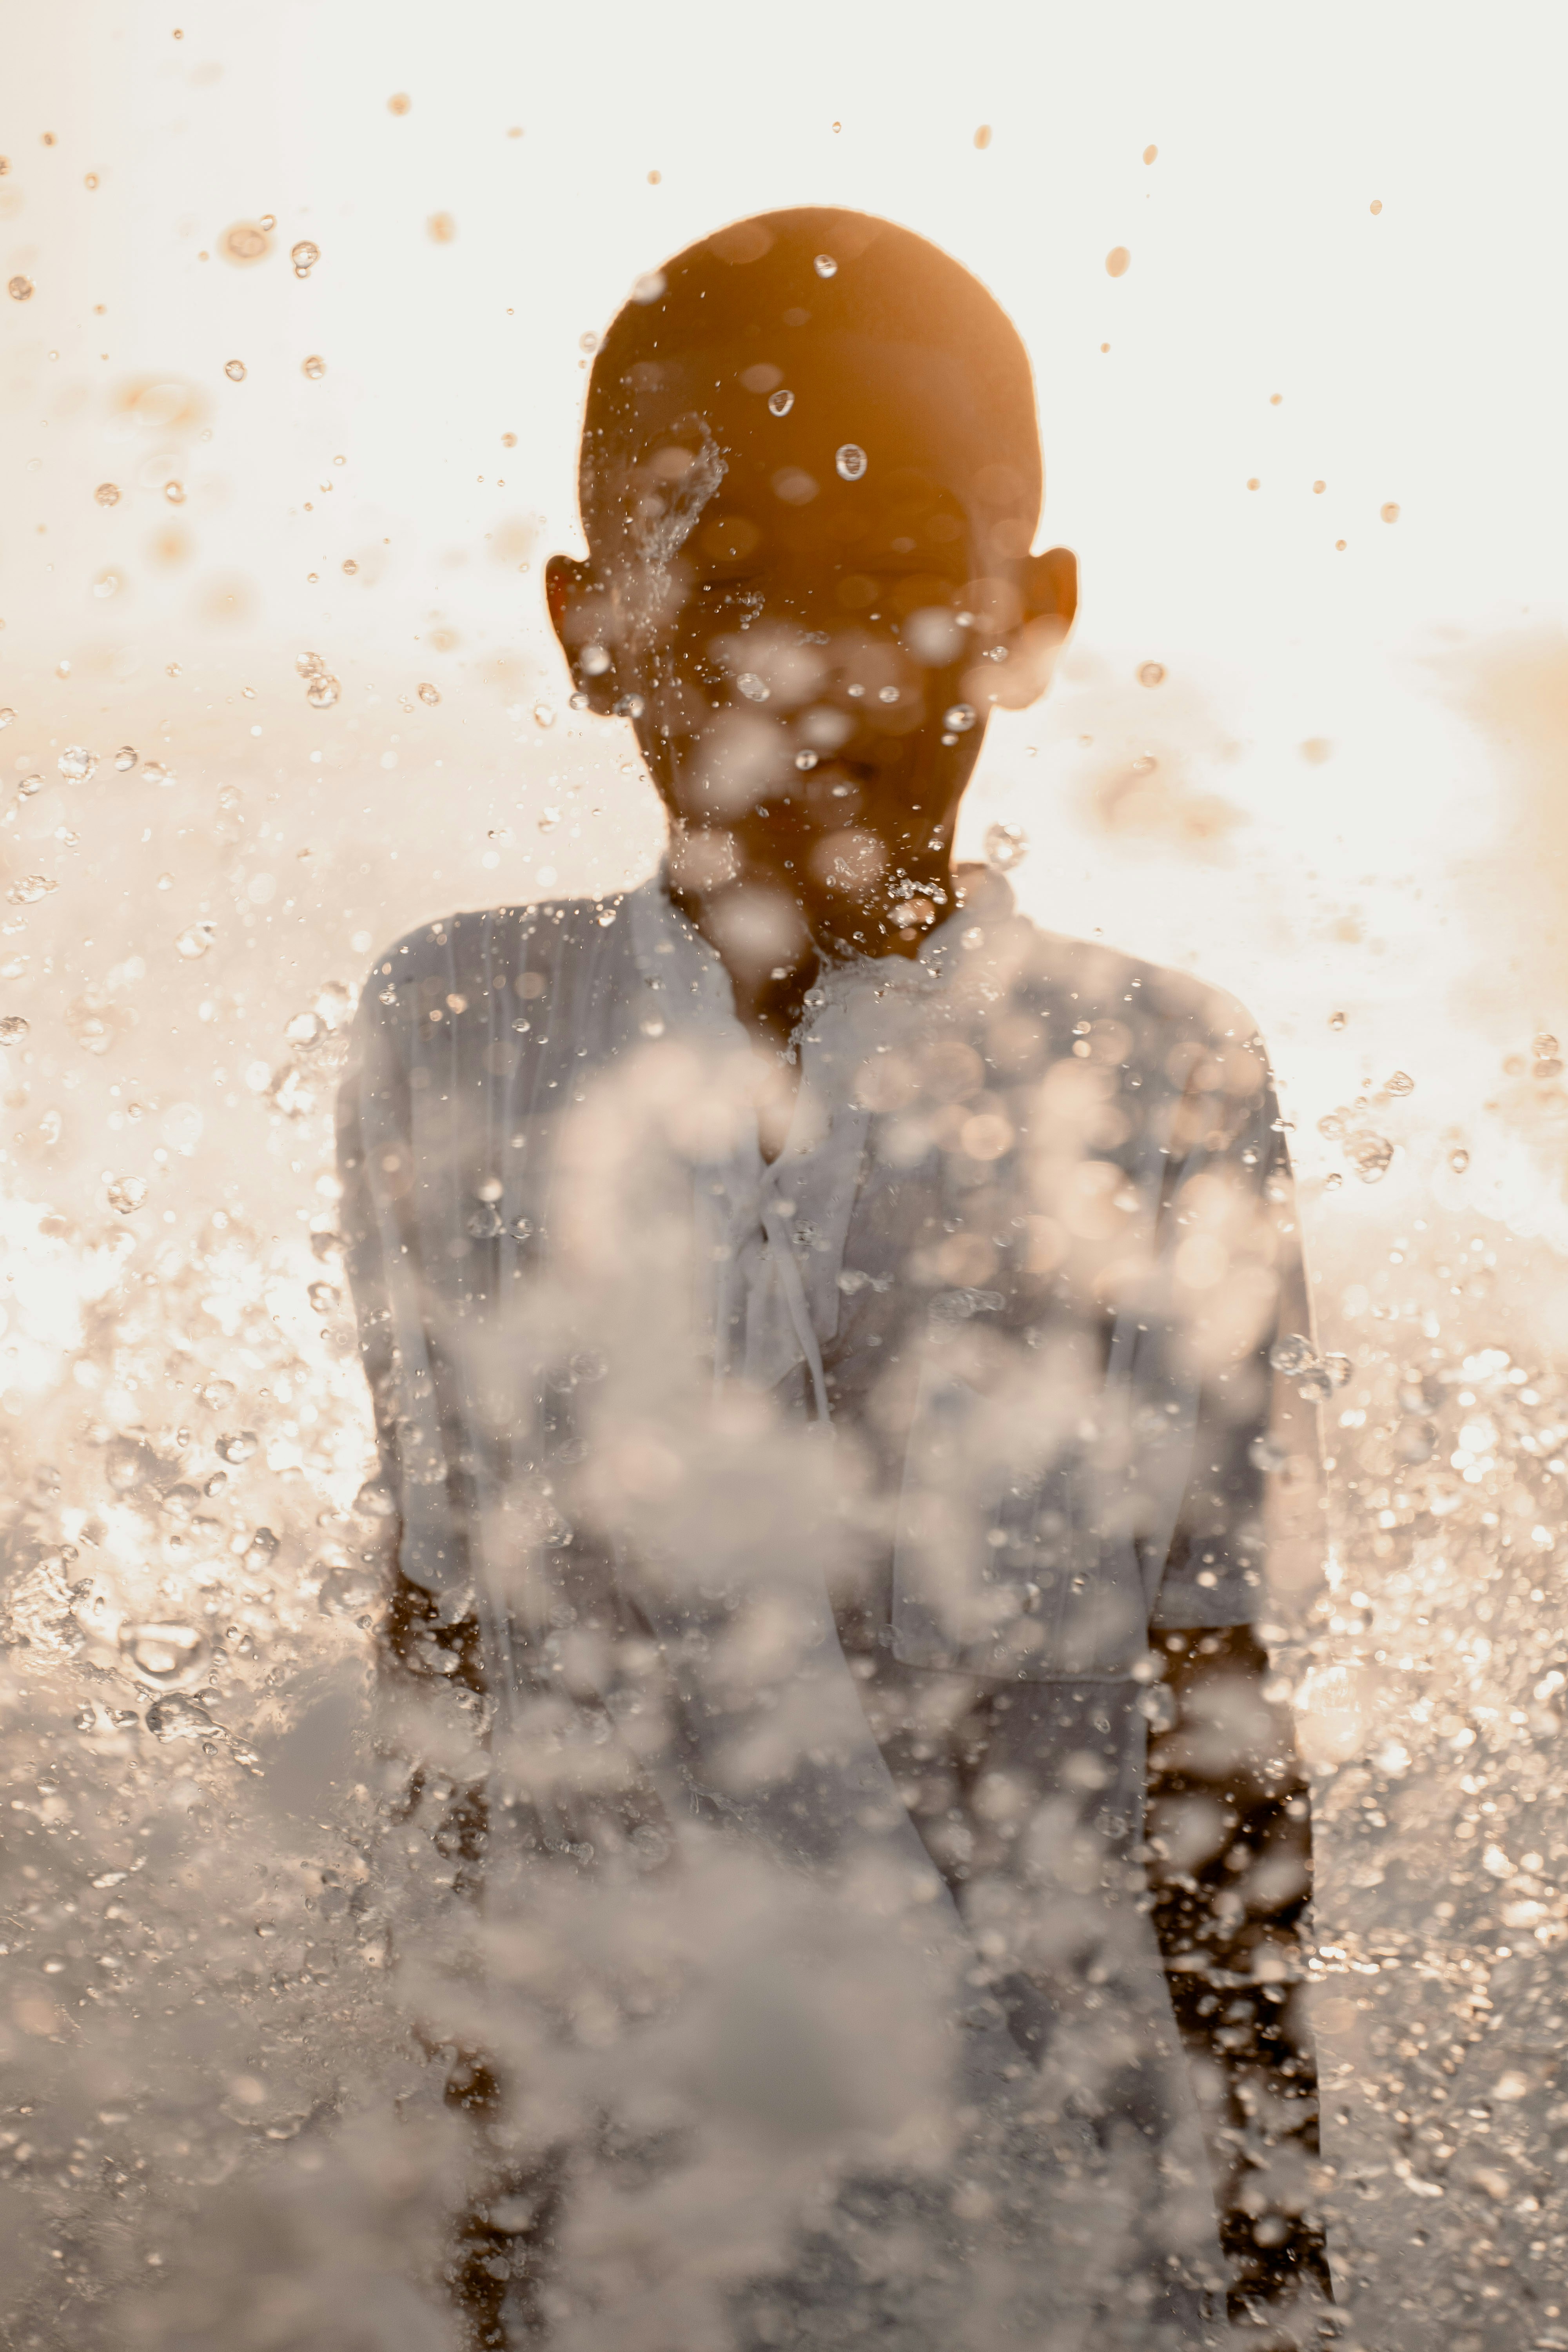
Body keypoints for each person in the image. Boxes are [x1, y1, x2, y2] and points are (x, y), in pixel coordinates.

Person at [338, 207, 1334, 2350]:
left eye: (900, 588)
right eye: (740, 581)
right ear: (594, 624)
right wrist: (472, 2234)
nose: (825, 667)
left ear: (1026, 623)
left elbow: (1212, 1718)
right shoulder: (463, 1032)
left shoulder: (1156, 1067)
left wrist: (1274, 2257)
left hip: (1046, 2216)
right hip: (636, 2212)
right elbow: (451, 1652)